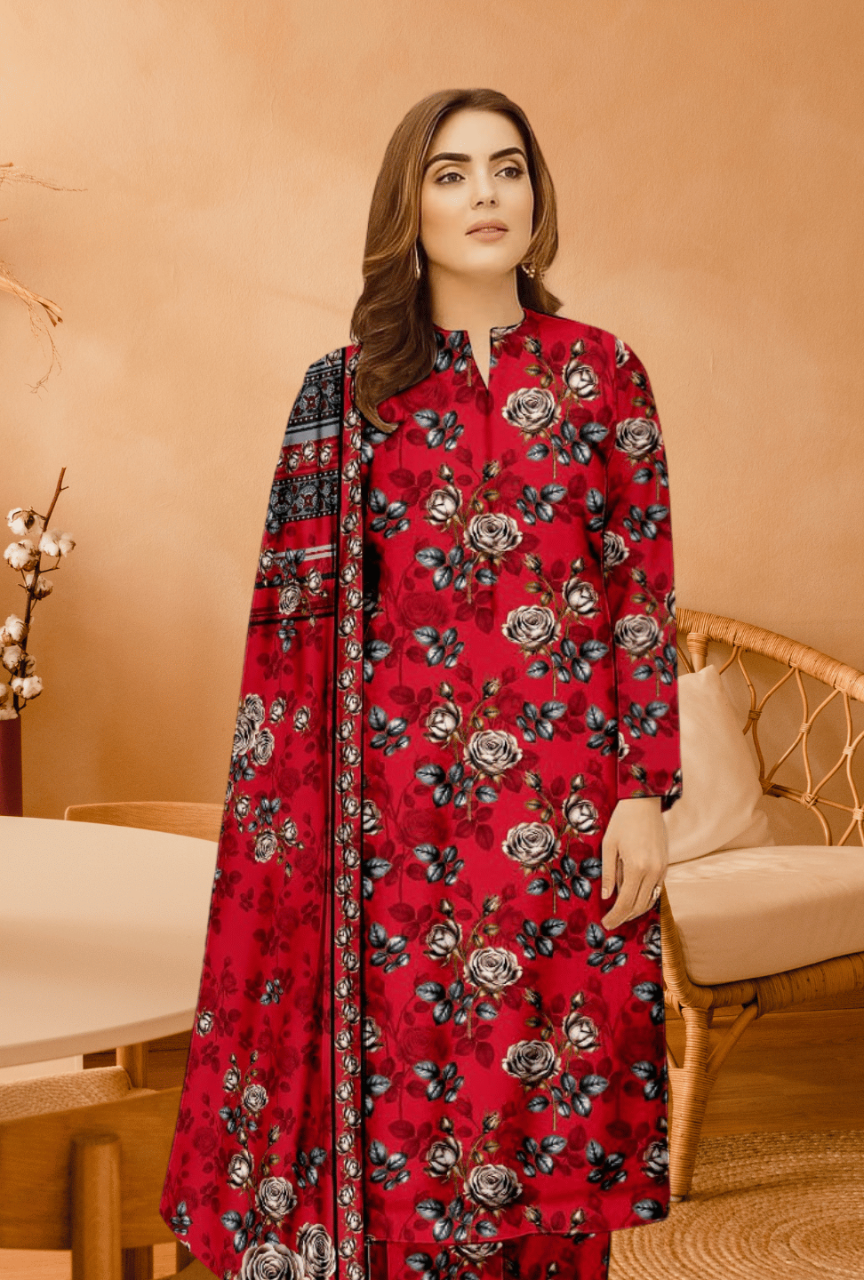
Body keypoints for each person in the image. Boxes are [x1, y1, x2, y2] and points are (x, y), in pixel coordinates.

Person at [160, 88, 682, 1280]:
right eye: (452, 173)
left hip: (567, 816)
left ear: (537, 196)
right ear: (411, 204)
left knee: (552, 1098)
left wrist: (643, 793)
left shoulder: (604, 374)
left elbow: (640, 596)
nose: (485, 193)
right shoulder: (346, 393)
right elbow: (292, 644)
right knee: (408, 1112)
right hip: (390, 829)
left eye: (507, 167)